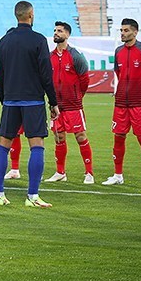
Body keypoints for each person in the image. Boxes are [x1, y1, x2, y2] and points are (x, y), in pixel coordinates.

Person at [0, 1, 58, 208]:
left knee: (4, 145)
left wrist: (5, 99)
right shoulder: (38, 40)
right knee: (36, 146)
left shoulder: (4, 41)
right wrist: (53, 102)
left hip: (11, 100)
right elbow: (46, 74)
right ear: (31, 15)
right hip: (33, 100)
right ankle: (32, 196)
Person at [101, 18, 141, 188]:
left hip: (139, 103)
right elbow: (119, 73)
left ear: (135, 32)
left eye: (126, 30)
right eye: (121, 30)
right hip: (121, 103)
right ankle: (117, 175)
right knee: (118, 137)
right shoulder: (118, 51)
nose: (123, 33)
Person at [44, 21, 94, 184]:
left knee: (80, 136)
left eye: (59, 31)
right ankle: (60, 172)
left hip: (73, 105)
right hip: (56, 105)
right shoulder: (49, 57)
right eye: (55, 30)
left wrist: (77, 97)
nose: (56, 33)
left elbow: (84, 80)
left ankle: (89, 173)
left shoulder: (75, 56)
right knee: (59, 138)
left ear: (67, 34)